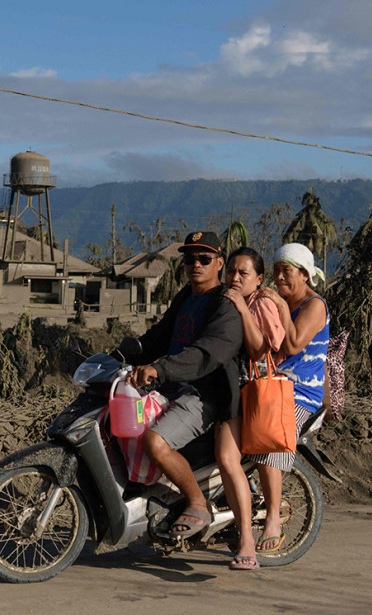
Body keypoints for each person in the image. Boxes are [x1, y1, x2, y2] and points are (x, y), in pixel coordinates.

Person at [127, 231, 243, 542]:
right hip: (172, 389)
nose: (196, 264)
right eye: (190, 259)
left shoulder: (224, 304)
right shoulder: (186, 297)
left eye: (204, 258)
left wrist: (160, 369)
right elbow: (159, 337)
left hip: (203, 395)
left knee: (155, 442)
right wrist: (121, 355)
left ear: (219, 263)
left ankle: (196, 503)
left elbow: (208, 353)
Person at [251, 243, 329, 554]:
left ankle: (273, 519)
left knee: (271, 436)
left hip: (300, 395)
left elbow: (294, 344)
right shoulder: (282, 302)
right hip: (274, 387)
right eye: (277, 270)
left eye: (287, 271)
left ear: (304, 274)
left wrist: (281, 306)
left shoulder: (314, 305)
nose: (280, 276)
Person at [214, 246, 285, 569]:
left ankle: (265, 524)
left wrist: (243, 309)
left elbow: (261, 350)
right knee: (223, 458)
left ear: (258, 279)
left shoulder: (261, 303)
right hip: (226, 391)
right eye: (231, 271)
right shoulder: (221, 299)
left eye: (244, 273)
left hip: (253, 392)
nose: (235, 277)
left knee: (252, 451)